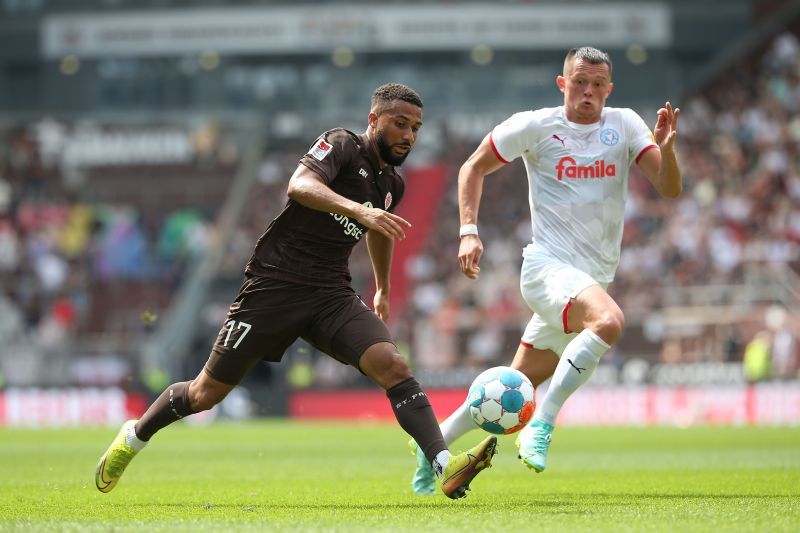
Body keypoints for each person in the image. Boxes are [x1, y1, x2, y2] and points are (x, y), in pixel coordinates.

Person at [95, 83, 497, 500]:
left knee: (392, 364)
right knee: (205, 393)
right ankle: (135, 436)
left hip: (329, 293)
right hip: (275, 284)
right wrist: (358, 209)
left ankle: (444, 465)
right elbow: (300, 186)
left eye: (415, 127)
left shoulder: (393, 183)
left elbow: (380, 229)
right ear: (373, 119)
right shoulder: (341, 144)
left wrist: (383, 288)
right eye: (400, 124)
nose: (409, 136)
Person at [410, 47, 681, 494]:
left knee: (515, 388)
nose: (588, 92)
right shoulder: (536, 126)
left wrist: (668, 152)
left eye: (597, 84)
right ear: (562, 83)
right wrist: (468, 230)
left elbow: (670, 188)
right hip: (546, 269)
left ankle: (430, 448)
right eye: (579, 82)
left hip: (590, 278)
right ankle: (546, 424)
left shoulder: (626, 125)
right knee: (609, 321)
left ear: (609, 89)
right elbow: (472, 167)